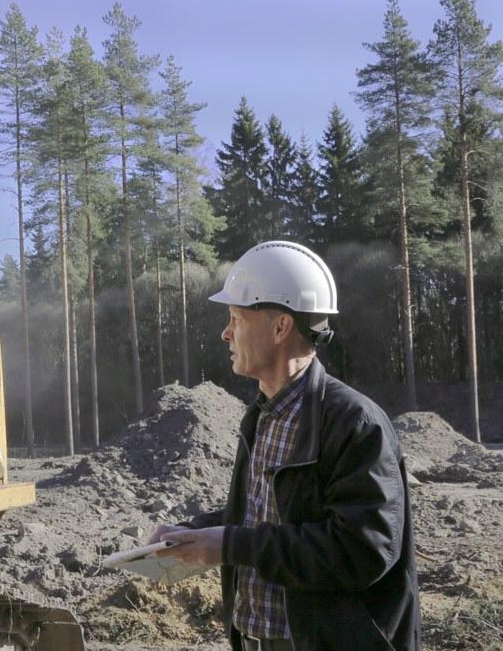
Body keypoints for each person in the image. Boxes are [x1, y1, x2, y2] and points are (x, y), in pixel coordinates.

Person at [150, 241, 420, 650]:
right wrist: (195, 533)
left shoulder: (354, 424)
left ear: (280, 328)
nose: (225, 333)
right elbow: (270, 511)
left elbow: (361, 550)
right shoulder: (261, 415)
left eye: (236, 319)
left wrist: (229, 544)